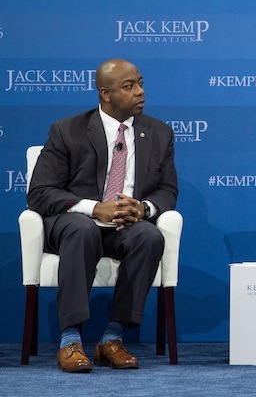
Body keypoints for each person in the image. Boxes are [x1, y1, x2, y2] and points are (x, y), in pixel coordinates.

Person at [27, 59, 178, 373]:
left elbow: (167, 190)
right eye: (129, 86)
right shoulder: (68, 130)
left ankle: (112, 338)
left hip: (126, 226)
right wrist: (94, 207)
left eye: (140, 83)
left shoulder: (159, 132)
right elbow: (40, 192)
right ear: (105, 94)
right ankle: (70, 340)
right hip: (74, 222)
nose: (140, 92)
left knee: (149, 236)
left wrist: (145, 209)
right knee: (82, 230)